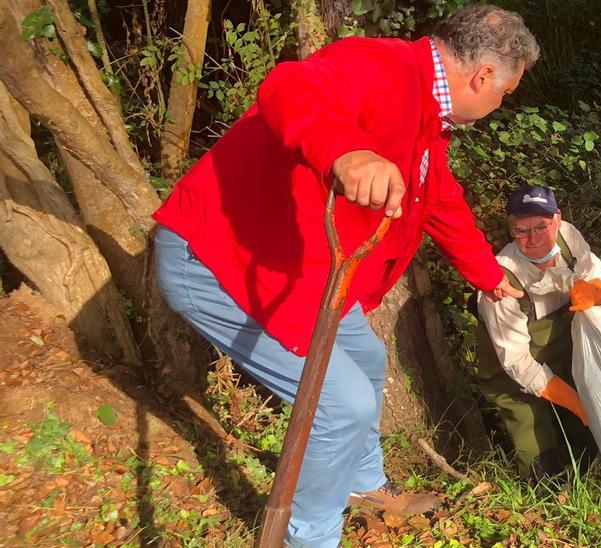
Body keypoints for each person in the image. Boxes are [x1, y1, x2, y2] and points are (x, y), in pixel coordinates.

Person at [151, 6, 537, 546]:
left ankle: (362, 484)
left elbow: (439, 199)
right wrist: (347, 152)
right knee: (343, 403)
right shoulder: (381, 66)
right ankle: (308, 537)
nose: (499, 105)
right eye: (505, 93)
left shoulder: (428, 115)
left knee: (369, 359)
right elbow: (290, 86)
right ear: (483, 79)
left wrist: (486, 274)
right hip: (216, 261)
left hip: (294, 272)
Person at [474, 186, 601, 479]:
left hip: (564, 355)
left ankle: (590, 482)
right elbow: (518, 363)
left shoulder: (568, 237)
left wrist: (596, 292)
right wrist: (574, 403)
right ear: (510, 228)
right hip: (514, 376)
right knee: (541, 459)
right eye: (521, 230)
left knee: (590, 441)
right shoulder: (500, 281)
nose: (533, 239)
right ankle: (544, 495)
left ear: (557, 219)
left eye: (541, 226)